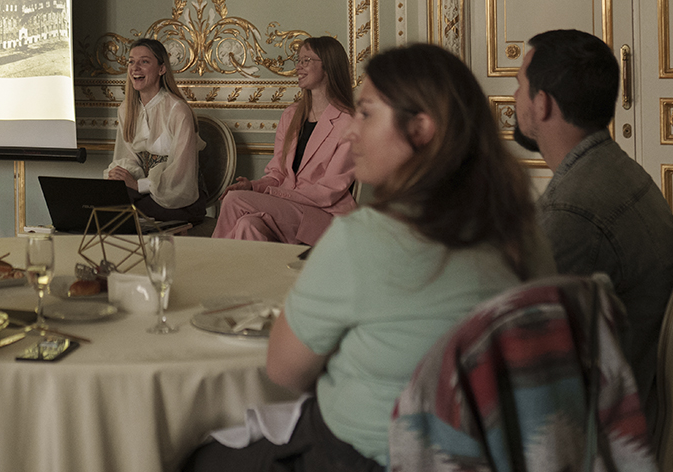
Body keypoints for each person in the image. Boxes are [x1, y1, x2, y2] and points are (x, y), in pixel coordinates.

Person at [186, 43, 553, 471]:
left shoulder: (363, 238)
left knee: (190, 455)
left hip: (365, 455)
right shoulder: (525, 232)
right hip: (483, 456)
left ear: (421, 128)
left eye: (367, 113)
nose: (349, 131)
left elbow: (283, 371)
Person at [513, 28, 673, 429]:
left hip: (594, 428)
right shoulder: (614, 169)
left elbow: (520, 347)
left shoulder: (573, 213)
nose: (514, 97)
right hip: (628, 391)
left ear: (542, 104)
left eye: (519, 85)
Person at [214, 36, 357, 244]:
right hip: (288, 211)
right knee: (249, 225)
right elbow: (278, 174)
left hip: (324, 217)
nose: (298, 67)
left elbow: (328, 192)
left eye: (306, 61)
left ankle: (216, 264)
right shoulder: (291, 116)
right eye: (298, 61)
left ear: (329, 66)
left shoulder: (348, 122)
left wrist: (275, 194)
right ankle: (253, 277)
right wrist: (253, 187)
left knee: (234, 200)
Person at [106, 38, 207, 223]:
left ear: (161, 69)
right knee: (105, 203)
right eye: (131, 62)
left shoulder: (178, 110)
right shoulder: (125, 109)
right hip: (144, 193)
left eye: (144, 62)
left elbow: (181, 175)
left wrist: (138, 185)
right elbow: (127, 158)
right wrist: (120, 177)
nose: (135, 68)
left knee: (123, 213)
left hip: (179, 197)